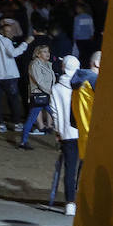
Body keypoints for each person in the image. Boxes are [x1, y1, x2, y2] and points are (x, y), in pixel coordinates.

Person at [50, 55, 81, 215]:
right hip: (83, 132)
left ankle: (70, 202)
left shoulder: (56, 88)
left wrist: (58, 130)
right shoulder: (83, 85)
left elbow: (54, 112)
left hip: (67, 133)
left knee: (69, 169)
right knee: (83, 168)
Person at [18, 43, 54, 150]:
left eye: (48, 51)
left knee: (32, 118)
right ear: (38, 54)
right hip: (40, 95)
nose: (47, 53)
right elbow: (39, 81)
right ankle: (23, 142)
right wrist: (51, 91)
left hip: (44, 95)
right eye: (44, 51)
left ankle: (23, 142)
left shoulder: (47, 64)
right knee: (55, 115)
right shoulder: (35, 65)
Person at [73, 50, 100, 164]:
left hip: (82, 136)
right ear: (97, 63)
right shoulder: (95, 81)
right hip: (95, 138)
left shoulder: (78, 81)